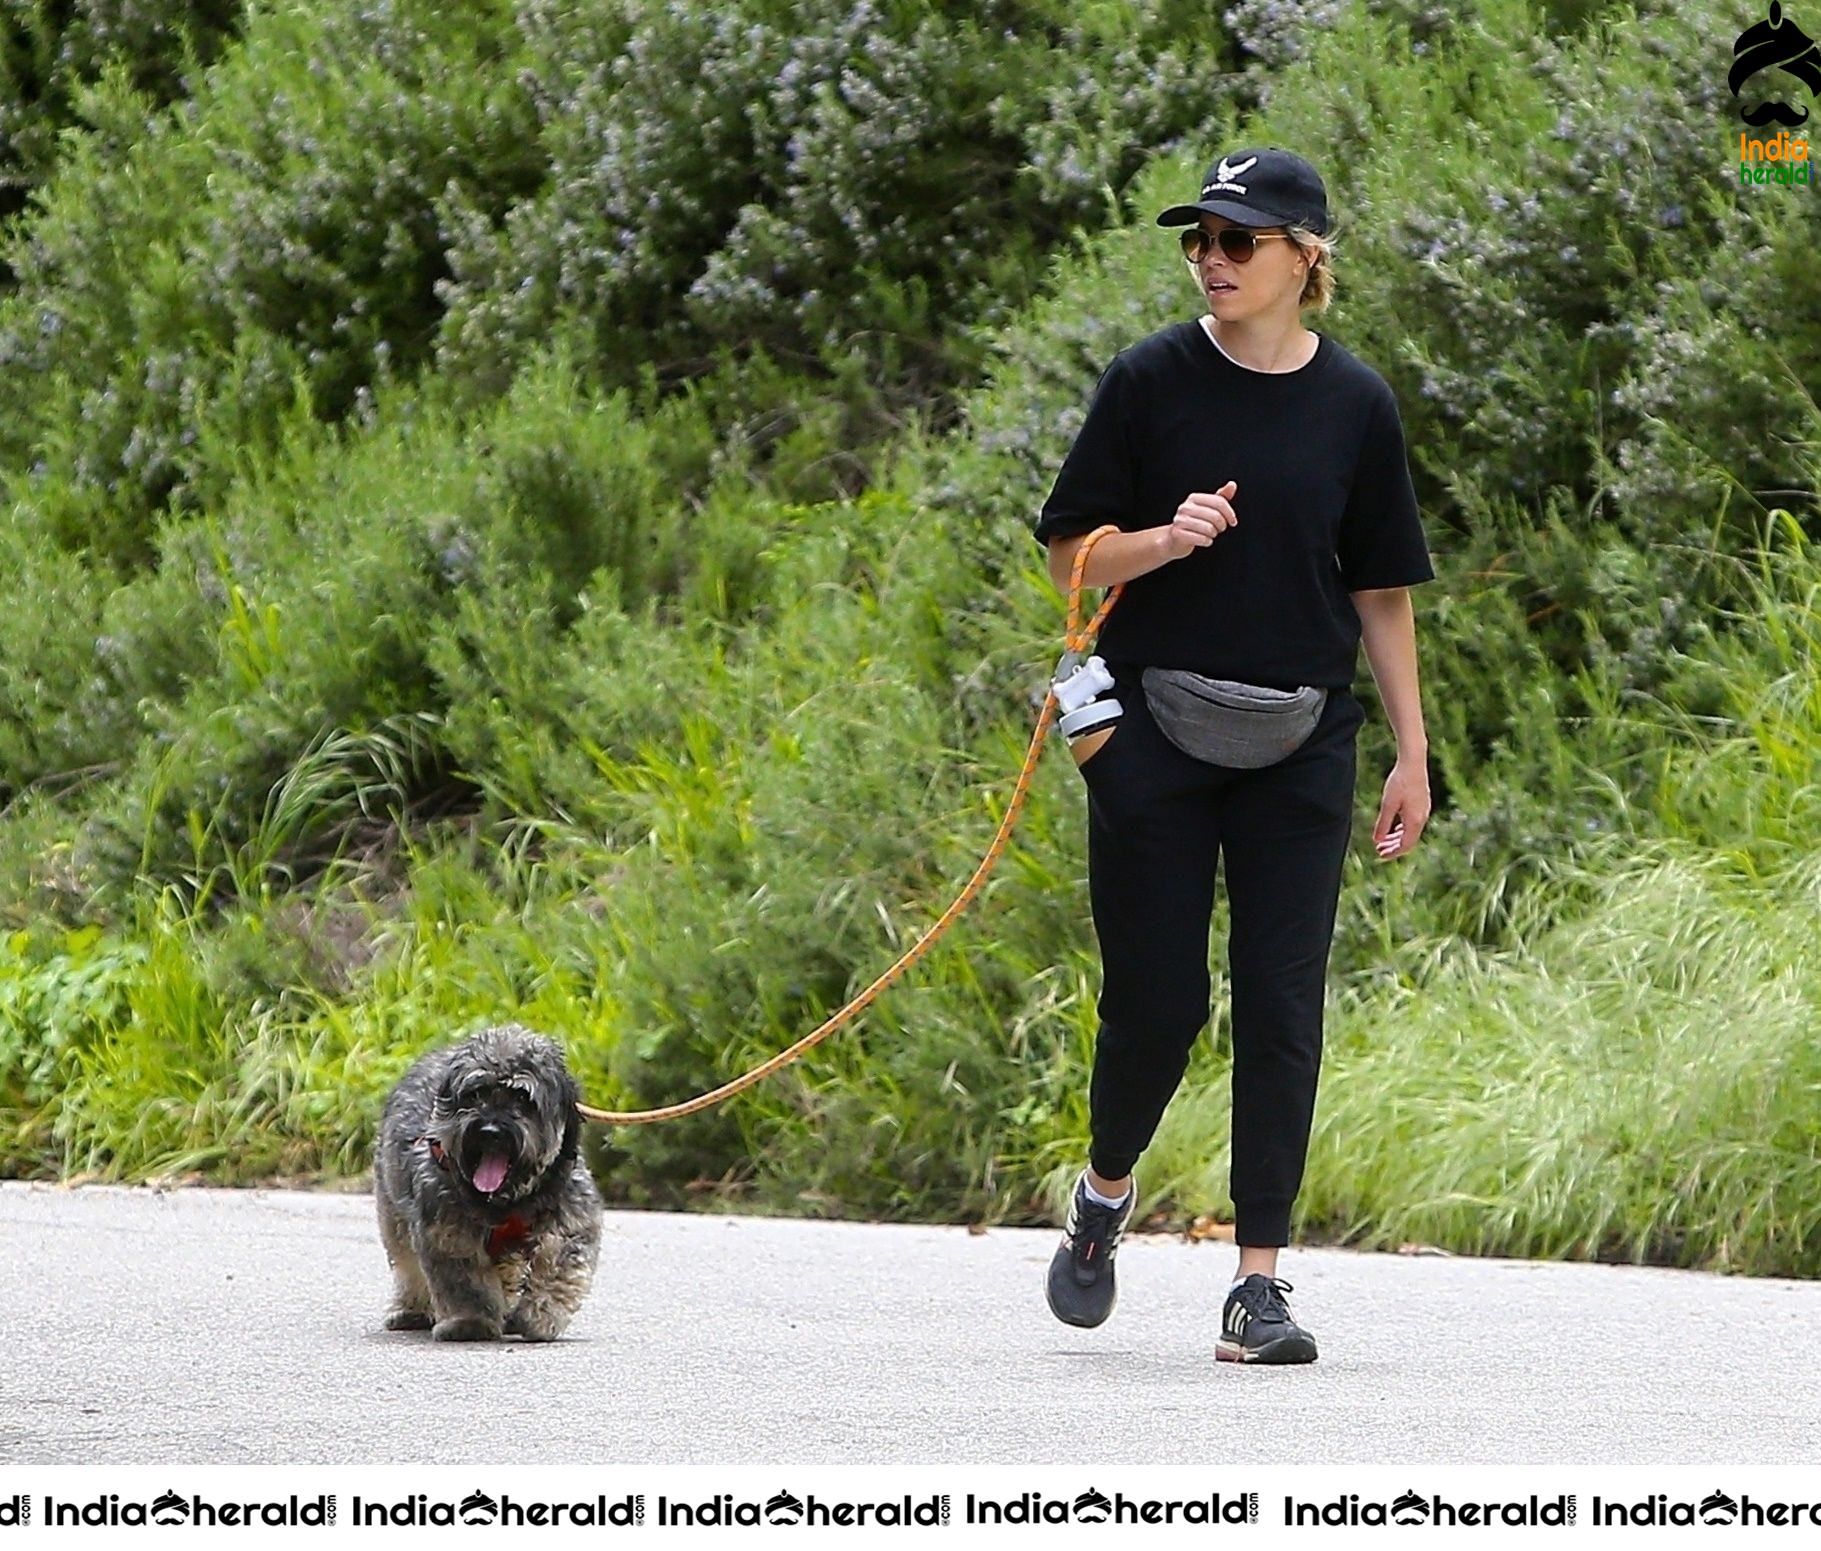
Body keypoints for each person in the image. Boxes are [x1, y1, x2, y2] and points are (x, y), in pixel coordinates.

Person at [1030, 146, 1435, 1364]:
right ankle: (1105, 1199)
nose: (1211, 259)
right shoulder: (1149, 381)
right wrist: (1163, 539)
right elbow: (1069, 559)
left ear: (1304, 258)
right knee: (1159, 1005)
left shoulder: (1358, 404)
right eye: (1198, 240)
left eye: (1236, 241)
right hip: (1152, 733)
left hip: (1304, 741)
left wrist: (1413, 750)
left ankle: (1258, 1288)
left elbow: (1381, 589)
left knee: (1280, 1006)